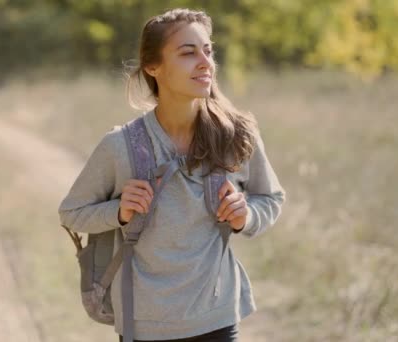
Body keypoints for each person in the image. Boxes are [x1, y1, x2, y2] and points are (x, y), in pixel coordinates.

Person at [58, 7, 286, 342]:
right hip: (144, 325)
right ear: (153, 67)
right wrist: (119, 212)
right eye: (188, 53)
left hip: (217, 317)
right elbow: (72, 213)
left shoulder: (235, 135)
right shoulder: (120, 146)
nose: (205, 62)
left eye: (208, 51)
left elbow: (271, 198)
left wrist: (246, 215)